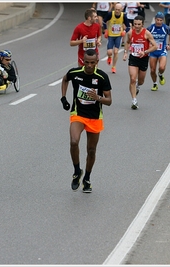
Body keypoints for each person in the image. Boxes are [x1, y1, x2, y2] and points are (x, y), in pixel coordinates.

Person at [60, 49, 112, 193]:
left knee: (91, 150)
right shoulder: (76, 73)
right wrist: (63, 98)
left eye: (92, 63)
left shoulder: (102, 77)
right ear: (83, 61)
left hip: (95, 117)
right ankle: (77, 171)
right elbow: (65, 79)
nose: (89, 66)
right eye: (87, 62)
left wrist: (98, 98)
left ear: (97, 62)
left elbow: (109, 101)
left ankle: (87, 178)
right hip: (78, 114)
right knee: (74, 141)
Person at [123, 15, 157, 109]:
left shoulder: (147, 33)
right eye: (135, 24)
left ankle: (138, 85)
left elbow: (155, 46)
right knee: (133, 79)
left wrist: (145, 52)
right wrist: (125, 53)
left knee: (141, 81)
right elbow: (127, 42)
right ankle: (134, 100)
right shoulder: (130, 32)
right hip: (133, 57)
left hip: (143, 58)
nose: (137, 26)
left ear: (142, 24)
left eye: (139, 24)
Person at [147, 12, 170, 91]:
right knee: (152, 70)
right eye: (157, 20)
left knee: (161, 67)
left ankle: (160, 74)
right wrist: (148, 45)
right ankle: (155, 84)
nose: (158, 22)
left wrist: (169, 44)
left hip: (162, 51)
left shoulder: (166, 28)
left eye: (160, 20)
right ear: (155, 19)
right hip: (153, 52)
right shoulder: (150, 28)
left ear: (163, 20)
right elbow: (145, 36)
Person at [103, 2, 130, 74]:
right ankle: (109, 57)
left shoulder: (123, 16)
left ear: (122, 9)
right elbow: (103, 22)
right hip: (111, 35)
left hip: (118, 36)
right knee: (109, 52)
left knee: (115, 51)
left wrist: (124, 31)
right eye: (116, 9)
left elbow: (128, 26)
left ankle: (113, 66)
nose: (117, 11)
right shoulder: (110, 14)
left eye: (118, 9)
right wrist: (105, 30)